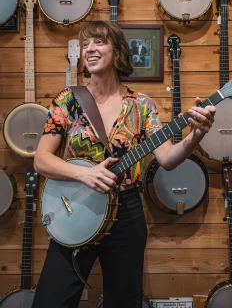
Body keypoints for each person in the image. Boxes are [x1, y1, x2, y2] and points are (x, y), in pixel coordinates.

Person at [32, 20, 216, 308]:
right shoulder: (67, 101)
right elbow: (41, 160)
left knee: (124, 302)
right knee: (50, 301)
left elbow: (167, 159)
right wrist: (85, 174)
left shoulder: (141, 105)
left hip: (125, 212)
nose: (89, 49)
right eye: (85, 44)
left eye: (99, 42)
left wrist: (196, 135)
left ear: (117, 51)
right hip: (74, 208)